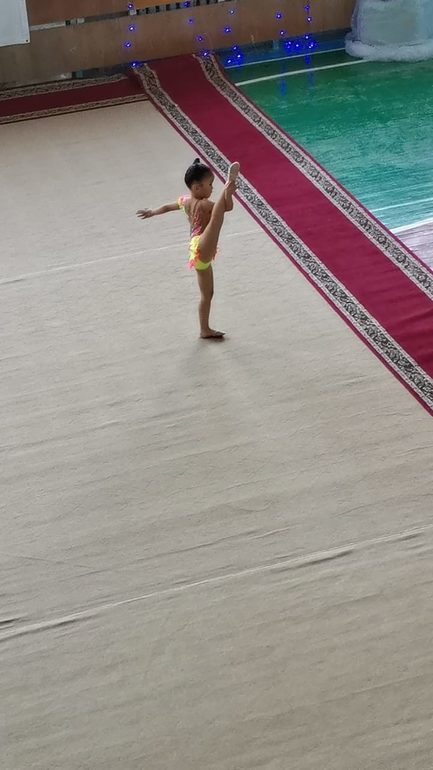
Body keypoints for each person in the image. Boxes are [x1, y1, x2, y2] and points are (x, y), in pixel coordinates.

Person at [136, 159, 240, 339]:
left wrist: (152, 212)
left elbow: (167, 207)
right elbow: (226, 207)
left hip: (197, 252)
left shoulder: (185, 201)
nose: (211, 188)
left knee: (207, 295)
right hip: (200, 246)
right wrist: (228, 193)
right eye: (210, 184)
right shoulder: (205, 205)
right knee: (216, 219)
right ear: (197, 187)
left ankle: (204, 330)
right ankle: (228, 183)